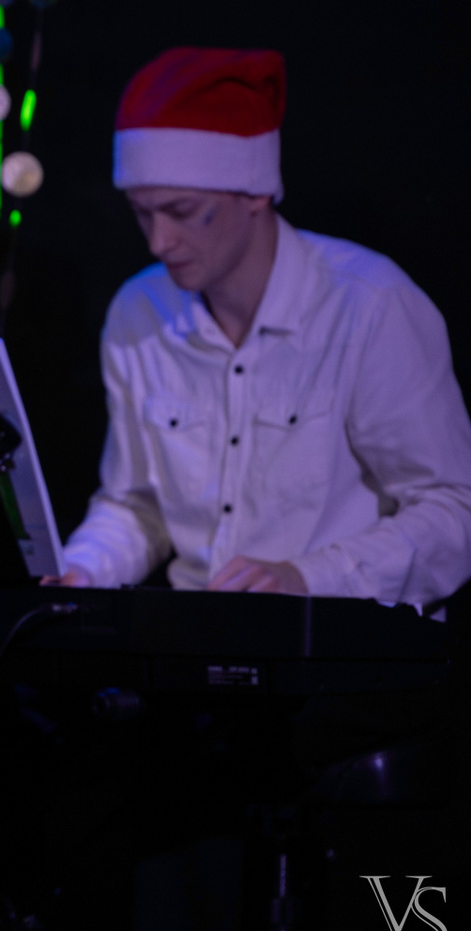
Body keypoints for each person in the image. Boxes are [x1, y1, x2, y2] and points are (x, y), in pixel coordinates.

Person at [51, 47, 471, 609]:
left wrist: (307, 579)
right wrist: (82, 569)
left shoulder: (369, 305)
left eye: (181, 211)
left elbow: (454, 509)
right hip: (196, 644)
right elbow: (136, 507)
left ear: (255, 192)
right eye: (141, 213)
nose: (158, 241)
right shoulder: (138, 311)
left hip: (345, 648)